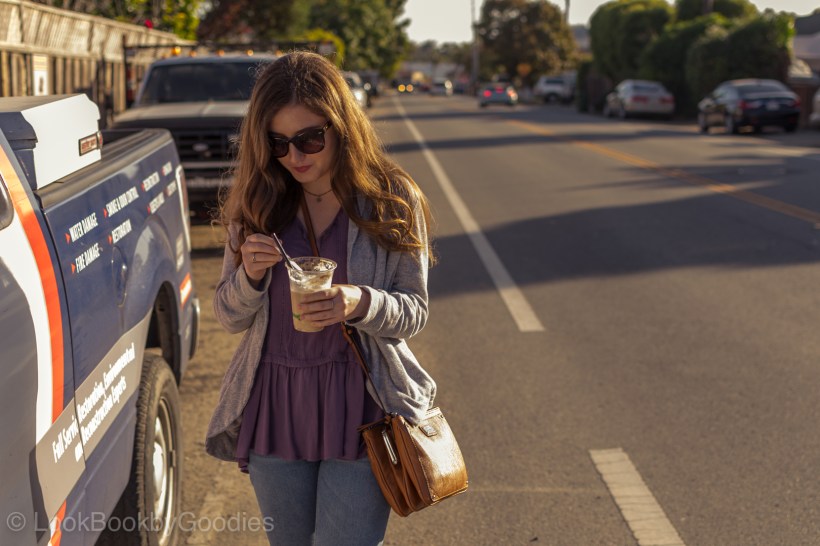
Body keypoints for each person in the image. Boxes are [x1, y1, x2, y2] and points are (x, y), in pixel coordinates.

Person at [204, 50, 437, 546]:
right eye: (278, 143)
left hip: (362, 406)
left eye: (310, 138)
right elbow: (228, 315)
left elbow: (414, 310)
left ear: (341, 125)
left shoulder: (391, 198)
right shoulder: (258, 202)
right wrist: (249, 275)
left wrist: (359, 302)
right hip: (276, 404)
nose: (295, 157)